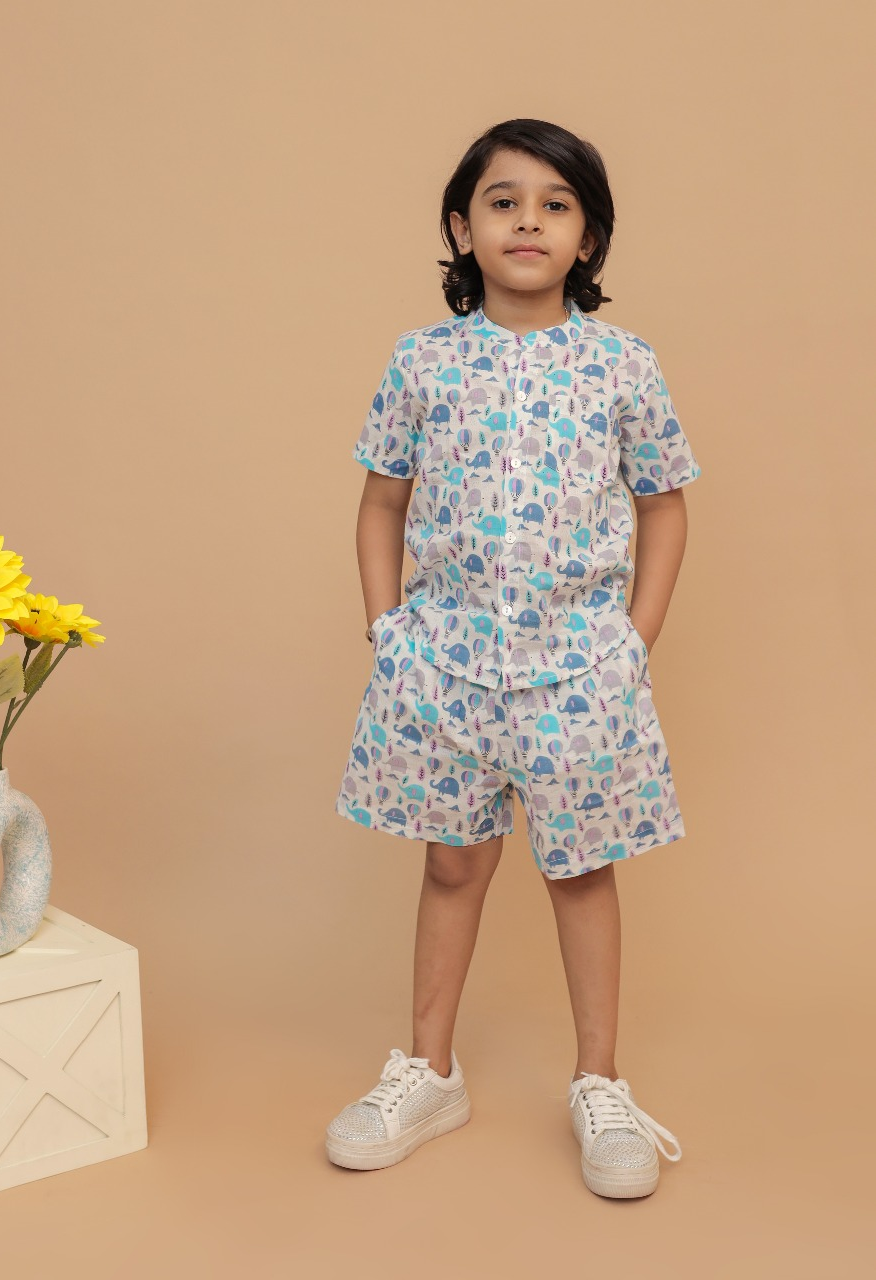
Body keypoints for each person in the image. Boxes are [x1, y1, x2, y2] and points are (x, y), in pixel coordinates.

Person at [327, 118, 701, 1198]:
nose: (527, 221)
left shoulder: (622, 364)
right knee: (452, 861)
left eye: (555, 204)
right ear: (462, 227)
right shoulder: (423, 359)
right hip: (444, 667)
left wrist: (632, 640)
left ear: (589, 238)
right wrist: (386, 628)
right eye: (503, 202)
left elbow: (664, 506)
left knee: (579, 869)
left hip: (578, 673)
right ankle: (429, 1071)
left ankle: (601, 1082)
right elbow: (381, 502)